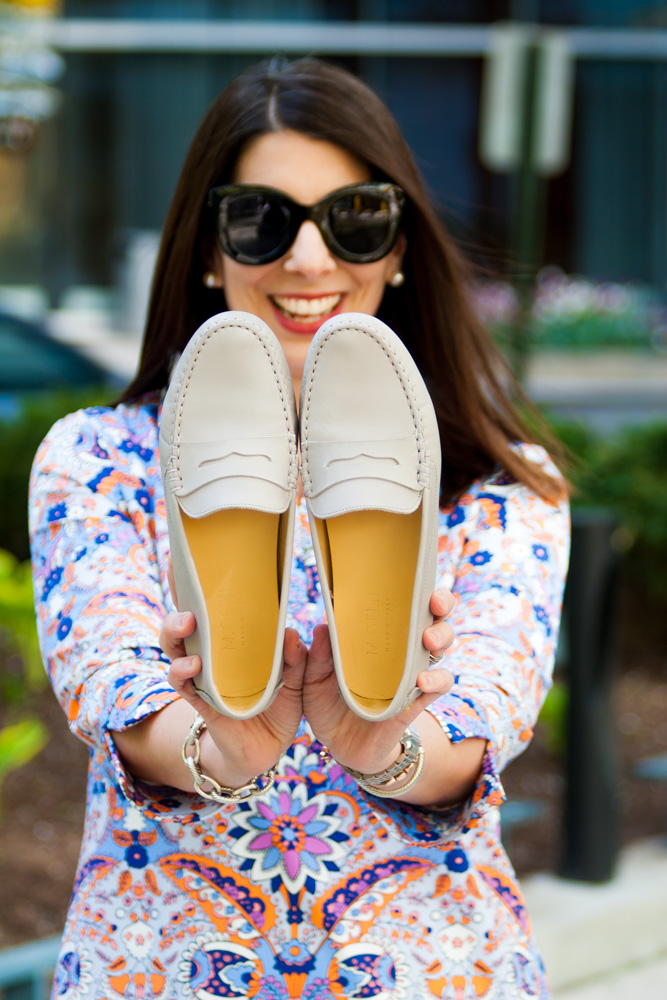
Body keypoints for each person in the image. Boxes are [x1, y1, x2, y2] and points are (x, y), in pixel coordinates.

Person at [29, 57, 569, 1000]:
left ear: (400, 248)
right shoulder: (97, 461)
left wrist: (393, 747)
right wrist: (211, 748)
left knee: (430, 691)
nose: (310, 261)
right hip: (166, 970)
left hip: (425, 971)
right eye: (261, 220)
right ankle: (240, 649)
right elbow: (111, 687)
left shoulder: (499, 484)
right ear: (209, 247)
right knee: (175, 688)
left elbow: (483, 718)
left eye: (356, 220)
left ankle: (370, 668)